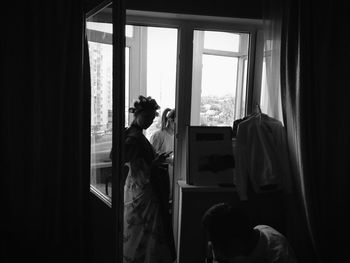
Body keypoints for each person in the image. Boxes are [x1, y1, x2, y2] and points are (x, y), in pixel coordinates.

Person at [123, 96, 176, 263]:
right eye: (146, 117)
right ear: (137, 115)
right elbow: (133, 164)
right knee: (143, 229)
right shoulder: (133, 136)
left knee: (141, 229)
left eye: (152, 117)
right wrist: (155, 163)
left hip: (140, 187)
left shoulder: (134, 134)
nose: (149, 121)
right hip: (141, 189)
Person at [201, 203, 297, 263]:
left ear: (236, 243)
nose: (216, 253)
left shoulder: (278, 254)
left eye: (220, 248)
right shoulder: (232, 241)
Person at [150, 108, 176, 200]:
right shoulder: (159, 135)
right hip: (161, 175)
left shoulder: (176, 136)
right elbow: (151, 159)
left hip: (172, 174)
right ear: (170, 120)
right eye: (177, 122)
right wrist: (168, 160)